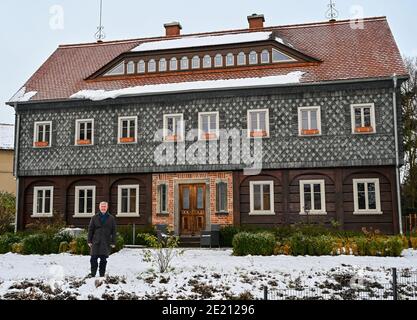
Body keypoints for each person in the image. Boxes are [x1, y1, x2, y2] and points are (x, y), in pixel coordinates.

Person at [87, 201, 117, 278]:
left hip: (105, 242)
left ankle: (102, 274)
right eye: (102, 206)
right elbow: (90, 230)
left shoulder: (111, 218)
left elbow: (114, 231)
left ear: (107, 207)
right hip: (95, 241)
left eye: (105, 206)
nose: (103, 208)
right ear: (99, 207)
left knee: (103, 260)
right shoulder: (94, 217)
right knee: (93, 258)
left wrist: (113, 242)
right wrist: (89, 241)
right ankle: (93, 273)